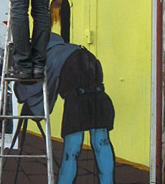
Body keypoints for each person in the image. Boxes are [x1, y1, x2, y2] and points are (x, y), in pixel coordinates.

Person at [14, 32, 115, 184]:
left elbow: (32, 89)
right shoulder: (74, 49)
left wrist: (21, 90)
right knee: (102, 144)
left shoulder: (47, 57)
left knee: (71, 152)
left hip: (77, 103)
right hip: (99, 98)